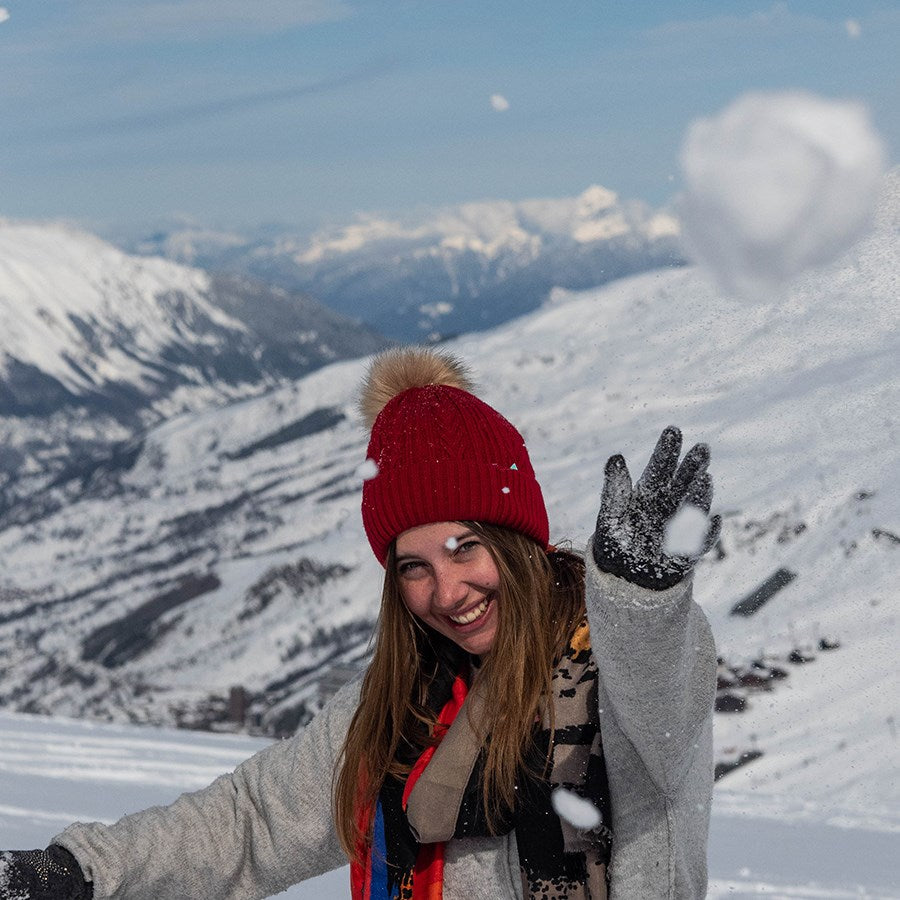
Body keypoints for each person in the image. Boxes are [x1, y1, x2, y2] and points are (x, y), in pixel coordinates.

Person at [0, 348, 720, 900]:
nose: (448, 592)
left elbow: (662, 697)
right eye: (413, 566)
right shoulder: (402, 704)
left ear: (515, 538)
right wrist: (79, 872)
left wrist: (640, 601)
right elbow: (251, 825)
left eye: (467, 547)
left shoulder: (617, 679)